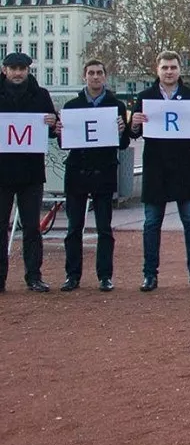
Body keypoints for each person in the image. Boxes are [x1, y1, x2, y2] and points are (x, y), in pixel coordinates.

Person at [129, 50, 190, 292]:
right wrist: (134, 124)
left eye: (173, 67)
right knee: (151, 223)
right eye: (165, 67)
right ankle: (149, 275)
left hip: (184, 165)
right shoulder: (145, 97)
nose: (169, 71)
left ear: (179, 70)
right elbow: (134, 133)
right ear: (158, 70)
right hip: (155, 166)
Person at [56, 59, 130, 292]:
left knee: (104, 228)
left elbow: (124, 142)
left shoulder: (116, 105)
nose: (95, 77)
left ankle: (105, 275)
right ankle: (72, 275)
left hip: (104, 171)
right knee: (73, 227)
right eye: (91, 73)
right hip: (77, 171)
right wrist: (59, 131)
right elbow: (63, 143)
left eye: (99, 73)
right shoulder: (71, 106)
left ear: (105, 77)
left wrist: (121, 131)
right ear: (84, 76)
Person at [0, 52, 58, 293]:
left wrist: (53, 122)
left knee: (32, 227)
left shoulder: (41, 95)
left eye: (22, 68)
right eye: (13, 68)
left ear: (28, 71)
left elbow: (54, 131)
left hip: (31, 173)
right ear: (5, 70)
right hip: (1, 173)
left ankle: (34, 275)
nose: (18, 72)